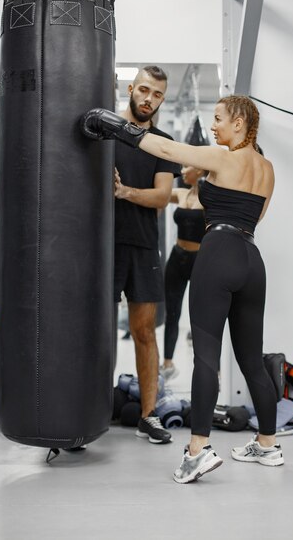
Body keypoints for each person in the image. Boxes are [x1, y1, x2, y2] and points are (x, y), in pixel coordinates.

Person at [81, 94, 284, 481]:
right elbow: (258, 214)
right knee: (251, 359)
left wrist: (115, 126)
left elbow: (165, 147)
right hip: (251, 260)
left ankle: (197, 450)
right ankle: (269, 444)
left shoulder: (223, 157)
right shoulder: (268, 168)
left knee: (206, 356)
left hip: (218, 253)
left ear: (240, 123)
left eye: (219, 118)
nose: (214, 125)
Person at [112, 65, 180, 445]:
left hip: (142, 245)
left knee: (144, 332)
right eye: (143, 90)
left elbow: (161, 198)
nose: (148, 99)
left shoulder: (162, 142)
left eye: (156, 94)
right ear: (130, 88)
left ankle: (149, 415)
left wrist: (126, 193)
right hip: (101, 246)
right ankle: (87, 407)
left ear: (162, 100)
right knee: (94, 331)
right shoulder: (106, 131)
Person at [160, 165, 206, 381]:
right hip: (177, 258)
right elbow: (156, 193)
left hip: (200, 261)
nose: (183, 170)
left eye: (188, 166)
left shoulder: (210, 200)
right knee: (172, 313)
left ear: (201, 171)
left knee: (201, 317)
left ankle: (206, 367)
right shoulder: (181, 194)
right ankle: (167, 363)